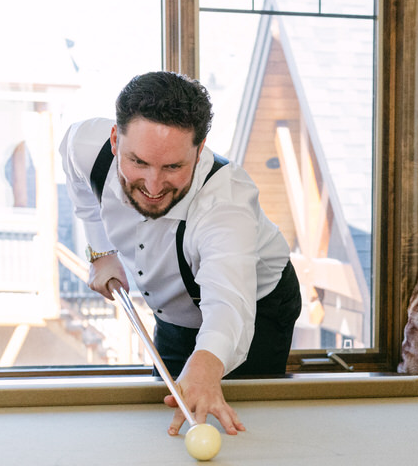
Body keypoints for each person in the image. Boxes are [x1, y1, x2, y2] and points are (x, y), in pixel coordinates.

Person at [61, 71, 300, 437]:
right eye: (138, 162)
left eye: (173, 166)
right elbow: (77, 178)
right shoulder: (85, 146)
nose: (153, 186)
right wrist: (101, 251)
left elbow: (229, 306)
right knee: (171, 415)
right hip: (174, 311)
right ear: (114, 140)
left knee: (243, 428)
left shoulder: (225, 203)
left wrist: (206, 363)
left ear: (199, 150)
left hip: (258, 305)